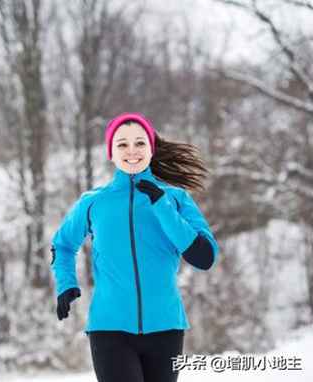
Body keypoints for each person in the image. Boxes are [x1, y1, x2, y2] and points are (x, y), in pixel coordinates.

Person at [50, 112, 219, 382]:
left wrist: (162, 207)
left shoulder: (175, 199)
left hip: (166, 328)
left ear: (151, 149)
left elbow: (204, 256)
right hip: (110, 328)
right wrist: (66, 284)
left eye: (140, 143)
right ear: (111, 153)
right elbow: (63, 244)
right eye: (122, 144)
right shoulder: (94, 202)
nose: (132, 151)